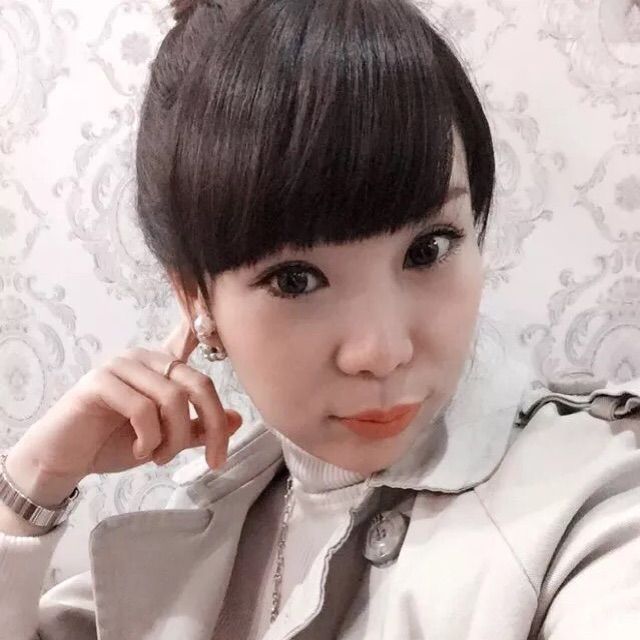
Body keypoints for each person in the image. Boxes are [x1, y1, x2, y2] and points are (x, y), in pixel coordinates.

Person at [1, 0, 640, 638]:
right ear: (196, 300)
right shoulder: (192, 533)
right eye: (295, 279)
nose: (382, 351)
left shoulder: (584, 503)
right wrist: (31, 488)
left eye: (428, 248)